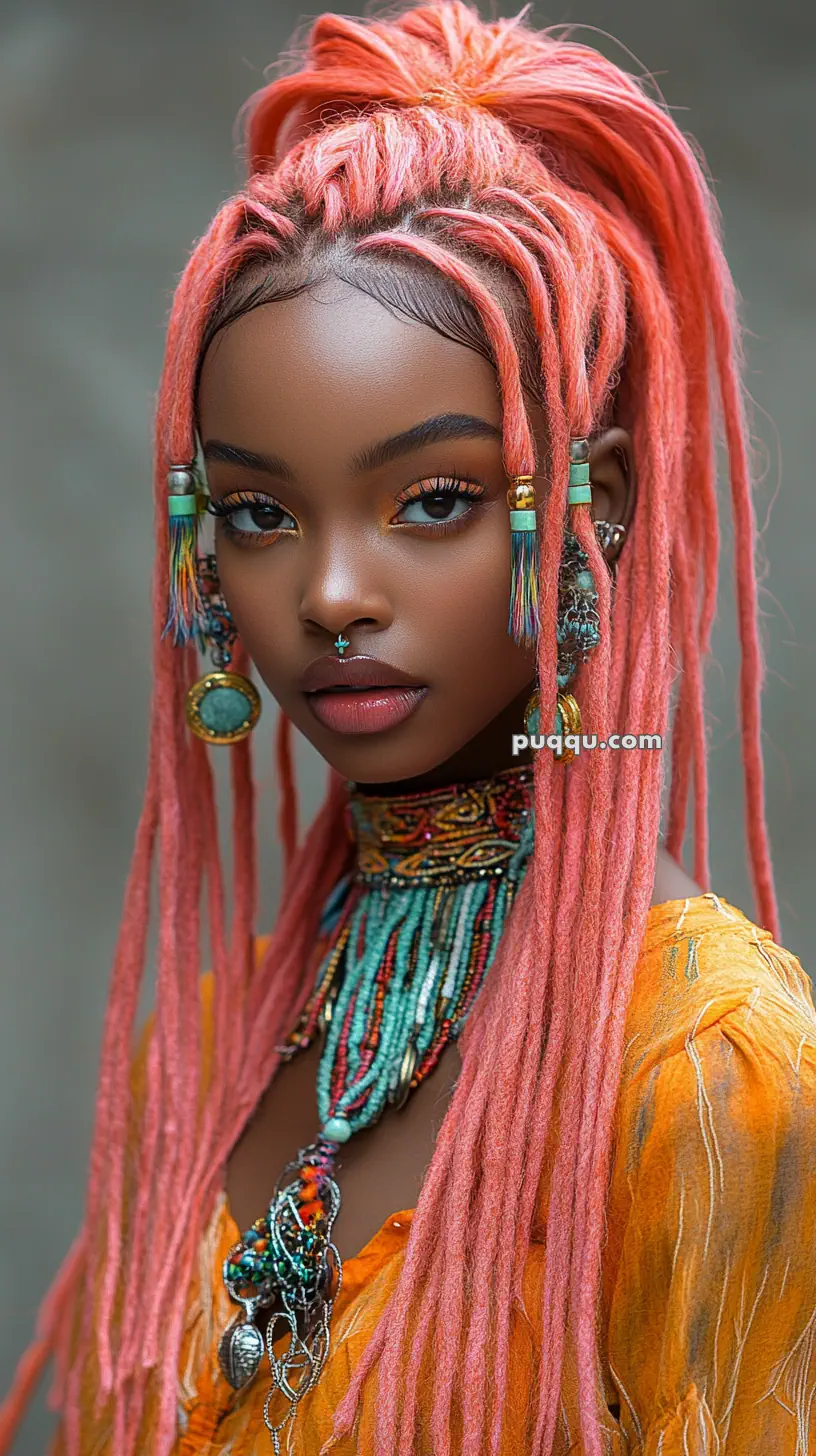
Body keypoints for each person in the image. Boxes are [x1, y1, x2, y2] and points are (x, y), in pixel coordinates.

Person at [2, 3, 815, 1453]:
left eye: (431, 500)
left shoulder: (705, 1065)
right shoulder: (228, 1030)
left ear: (596, 504)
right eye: (258, 513)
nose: (327, 594)